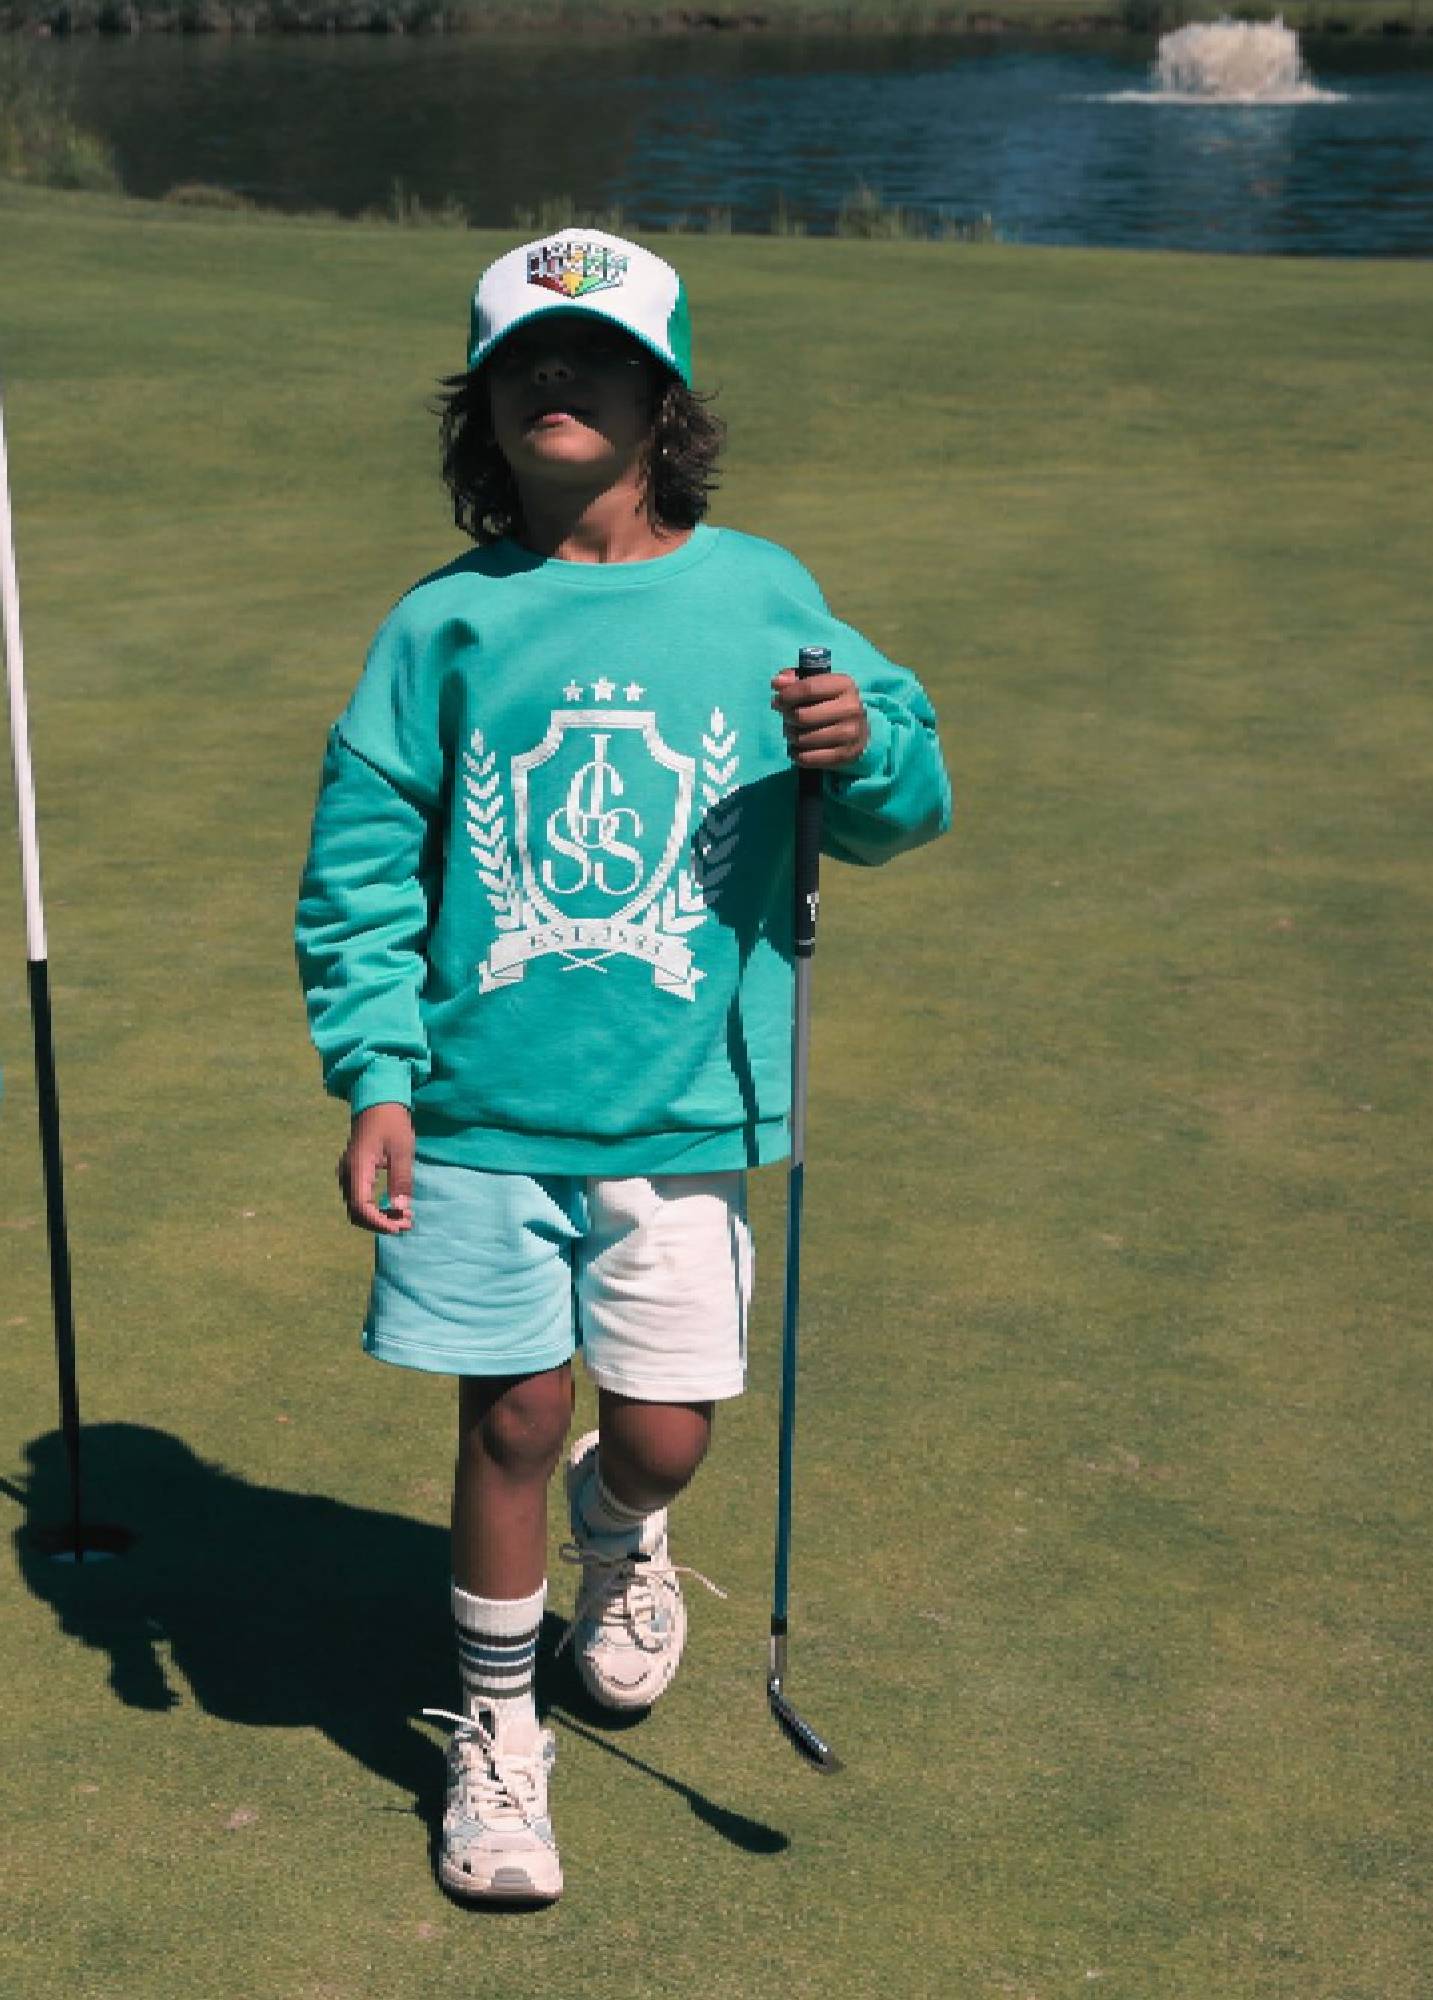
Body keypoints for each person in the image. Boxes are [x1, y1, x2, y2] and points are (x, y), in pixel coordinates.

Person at [294, 229, 951, 1905]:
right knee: (507, 1414)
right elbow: (363, 868)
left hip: (686, 1107)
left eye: (596, 361)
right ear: (485, 410)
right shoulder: (441, 627)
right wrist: (375, 1070)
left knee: (656, 1436)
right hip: (476, 1107)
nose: (559, 382)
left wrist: (860, 752)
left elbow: (901, 798)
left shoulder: (760, 593)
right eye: (527, 362)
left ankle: (625, 1529)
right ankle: (500, 1739)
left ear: (665, 404)